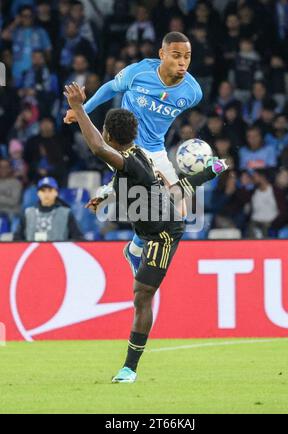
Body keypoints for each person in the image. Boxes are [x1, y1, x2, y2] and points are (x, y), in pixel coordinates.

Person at [63, 82, 228, 383]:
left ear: (110, 135)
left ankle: (129, 368)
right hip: (153, 219)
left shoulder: (127, 161)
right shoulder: (137, 156)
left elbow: (98, 147)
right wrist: (105, 194)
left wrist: (77, 108)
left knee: (142, 296)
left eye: (104, 132)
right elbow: (163, 186)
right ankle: (133, 249)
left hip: (163, 235)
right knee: (163, 202)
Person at [64, 31, 203, 275]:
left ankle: (135, 248)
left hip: (156, 149)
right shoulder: (138, 72)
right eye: (176, 55)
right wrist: (81, 110)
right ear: (162, 54)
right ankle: (118, 186)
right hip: (123, 144)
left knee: (179, 213)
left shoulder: (192, 93)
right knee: (150, 191)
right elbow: (110, 88)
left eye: (187, 57)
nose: (182, 62)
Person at [14, 177, 82, 242]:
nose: (46, 194)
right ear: (38, 193)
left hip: (56, 252)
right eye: (43, 191)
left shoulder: (66, 213)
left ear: (56, 193)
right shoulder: (28, 213)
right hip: (33, 252)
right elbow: (17, 239)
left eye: (50, 190)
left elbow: (78, 238)